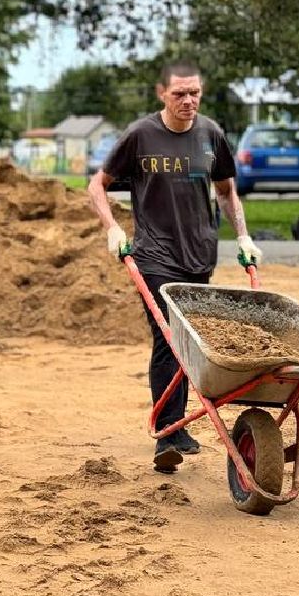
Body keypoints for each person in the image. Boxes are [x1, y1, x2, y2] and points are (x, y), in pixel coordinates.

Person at [87, 61, 262, 474]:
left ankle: (178, 425)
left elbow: (226, 191)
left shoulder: (211, 134)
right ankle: (167, 435)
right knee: (169, 338)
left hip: (199, 254)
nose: (188, 101)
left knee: (190, 342)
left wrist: (242, 236)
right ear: (161, 93)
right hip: (154, 253)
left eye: (195, 93)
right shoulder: (141, 136)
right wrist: (112, 227)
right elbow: (97, 184)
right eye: (180, 93)